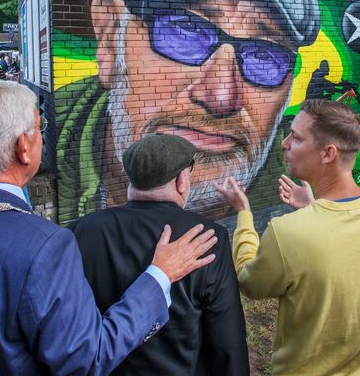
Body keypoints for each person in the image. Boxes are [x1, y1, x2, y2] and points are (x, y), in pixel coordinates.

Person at [0, 81, 218, 375]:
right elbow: (89, 358)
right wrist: (159, 275)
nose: (42, 136)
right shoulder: (42, 246)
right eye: (39, 126)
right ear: (23, 147)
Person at [56, 0, 320, 223]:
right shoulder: (45, 147)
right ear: (110, 35)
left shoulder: (301, 193)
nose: (222, 97)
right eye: (185, 32)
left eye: (264, 55)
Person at [214, 99, 360, 375]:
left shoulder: (288, 233)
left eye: (295, 137)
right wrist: (313, 208)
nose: (284, 144)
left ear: (327, 153)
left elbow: (250, 282)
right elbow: (351, 249)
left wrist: (243, 213)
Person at [72, 133, 249, 375]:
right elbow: (227, 341)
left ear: (131, 179)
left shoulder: (84, 229)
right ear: (181, 181)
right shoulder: (206, 238)